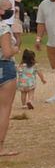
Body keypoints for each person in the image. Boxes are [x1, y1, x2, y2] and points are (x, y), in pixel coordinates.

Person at [0, 8, 18, 156]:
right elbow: (6, 52)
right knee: (4, 109)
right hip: (3, 67)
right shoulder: (3, 27)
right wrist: (16, 49)